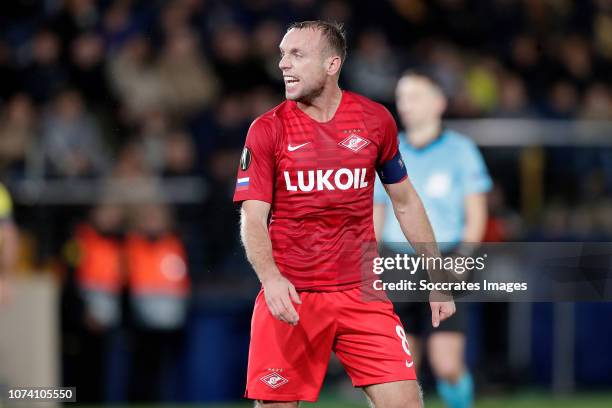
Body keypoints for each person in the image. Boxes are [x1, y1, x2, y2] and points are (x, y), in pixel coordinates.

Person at [233, 21, 455, 407]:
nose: (284, 64)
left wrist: (437, 274)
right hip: (292, 295)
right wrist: (270, 279)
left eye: (297, 54)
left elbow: (404, 201)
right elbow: (253, 218)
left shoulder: (374, 121)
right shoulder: (267, 130)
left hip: (361, 294)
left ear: (332, 64)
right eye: (282, 54)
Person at [374, 71, 492, 408]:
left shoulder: (461, 151)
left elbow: (476, 215)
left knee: (447, 365)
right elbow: (377, 212)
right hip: (397, 261)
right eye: (401, 97)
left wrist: (463, 259)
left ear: (438, 102)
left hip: (445, 260)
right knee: (400, 370)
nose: (405, 105)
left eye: (415, 96)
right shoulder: (390, 148)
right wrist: (371, 262)